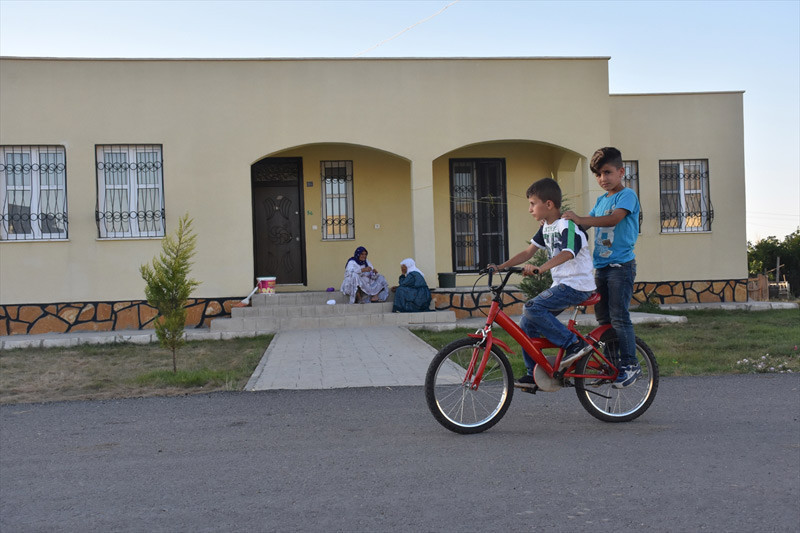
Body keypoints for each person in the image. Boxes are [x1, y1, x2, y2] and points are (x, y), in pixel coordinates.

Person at [488, 177, 596, 389]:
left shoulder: (568, 225)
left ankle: (574, 344)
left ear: (548, 204)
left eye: (532, 203)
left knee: (532, 307)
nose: (530, 209)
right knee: (527, 323)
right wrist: (500, 267)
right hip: (562, 286)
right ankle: (534, 374)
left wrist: (541, 269)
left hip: (577, 285)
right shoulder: (546, 227)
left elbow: (568, 252)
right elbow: (528, 252)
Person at [562, 146, 642, 388]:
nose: (602, 179)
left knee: (619, 316)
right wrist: (561, 226)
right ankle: (611, 366)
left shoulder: (627, 195)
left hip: (621, 267)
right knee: (604, 320)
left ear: (621, 171)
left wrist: (581, 219)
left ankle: (630, 365)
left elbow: (613, 219)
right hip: (602, 268)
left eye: (607, 172)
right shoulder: (600, 201)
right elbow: (583, 227)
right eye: (598, 174)